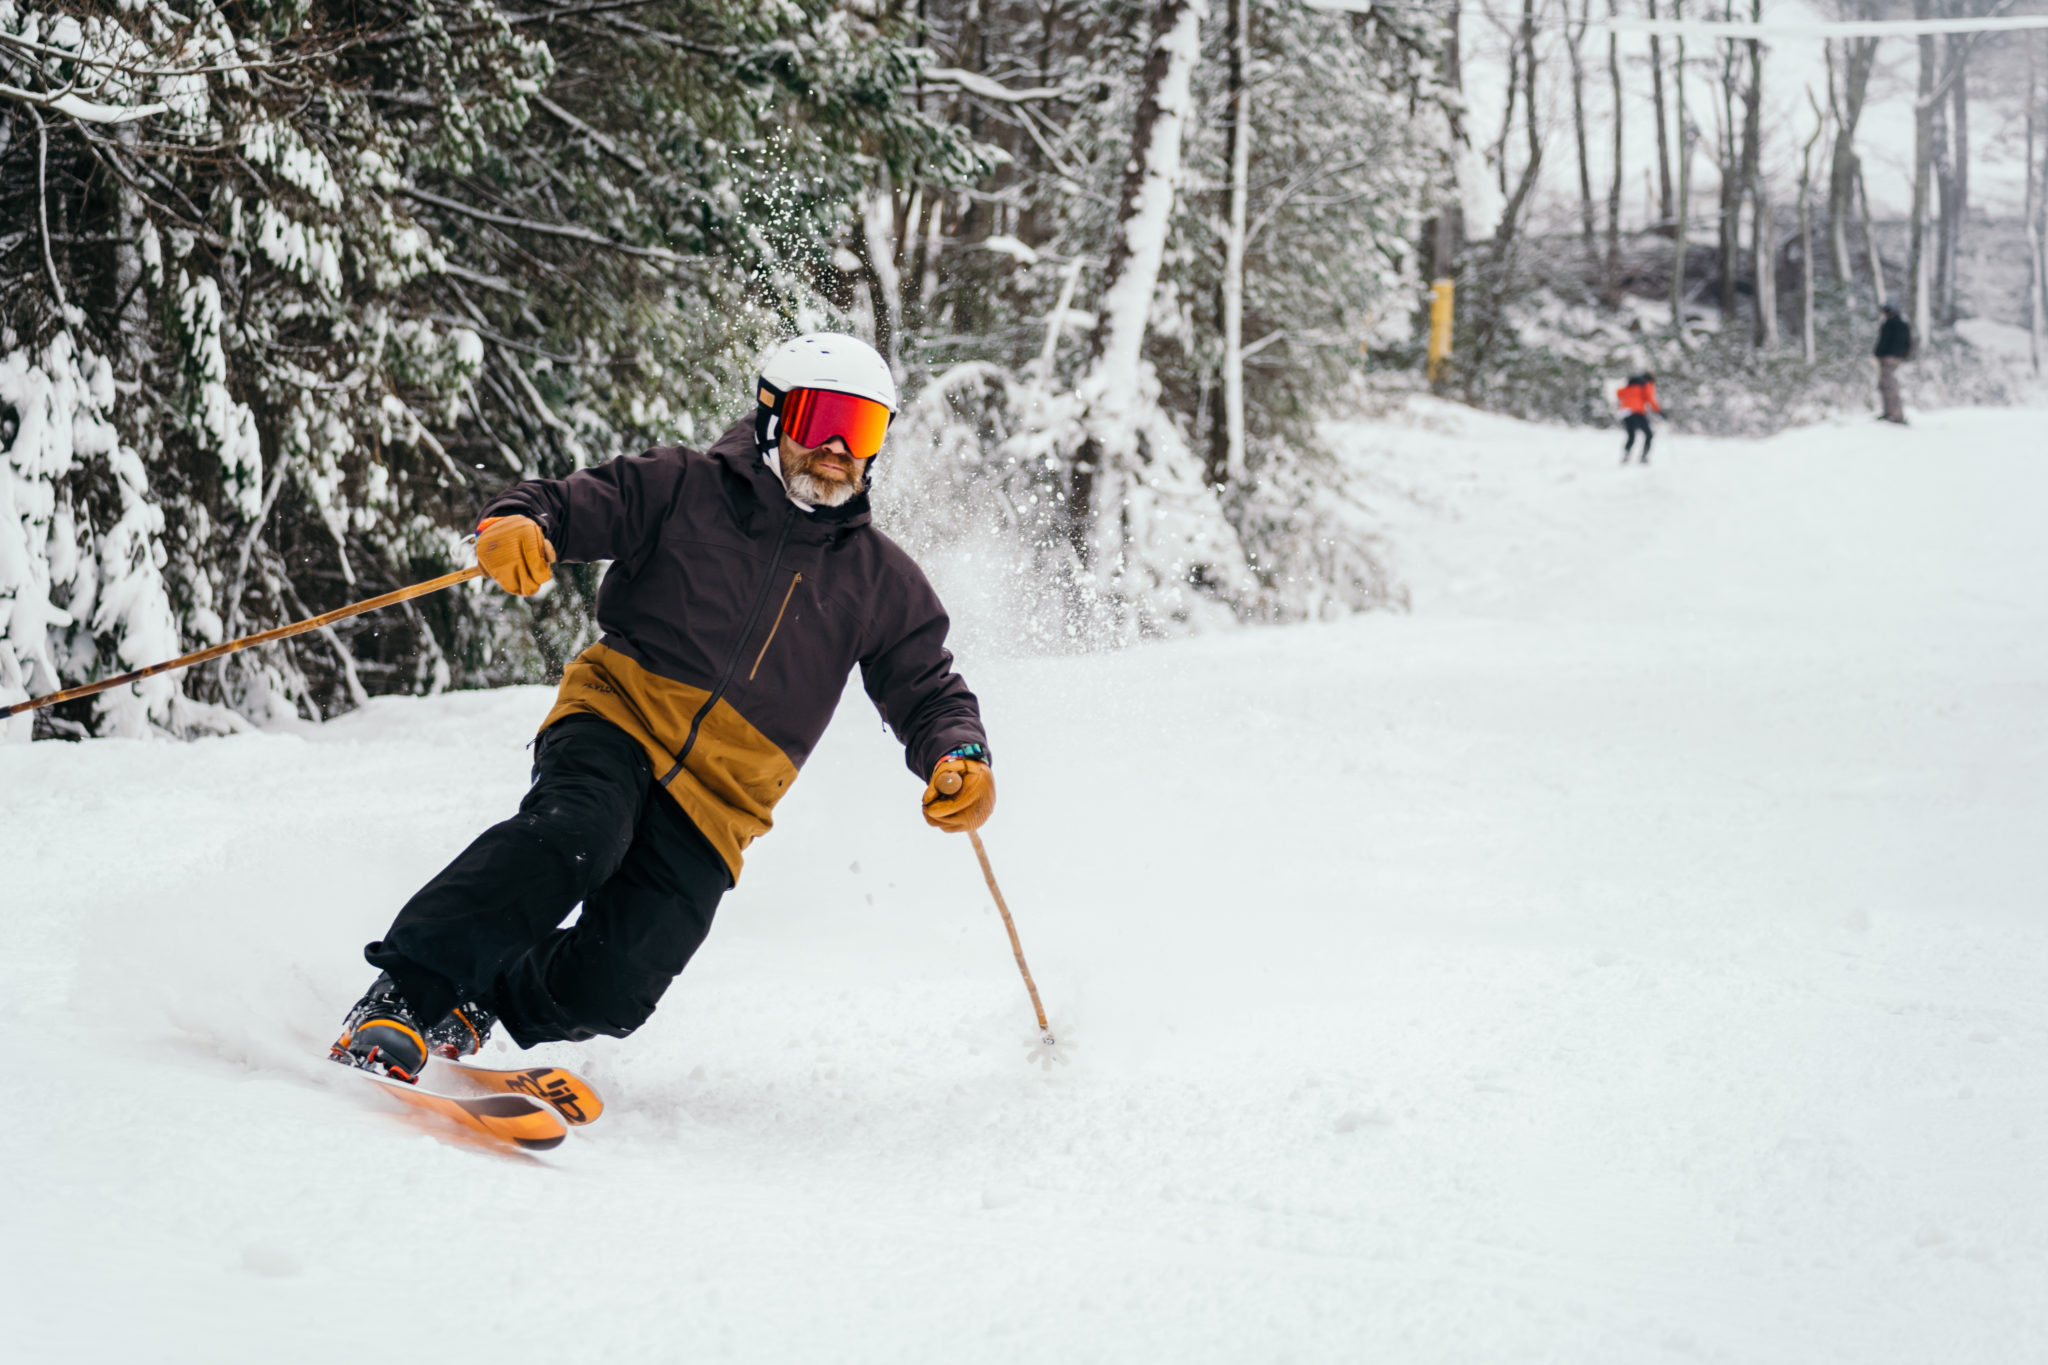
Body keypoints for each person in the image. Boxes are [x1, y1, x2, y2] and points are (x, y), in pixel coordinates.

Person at [331, 333, 994, 1081]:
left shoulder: (880, 581)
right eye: (822, 420)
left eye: (863, 428)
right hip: (618, 717)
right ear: (776, 417)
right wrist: (517, 523)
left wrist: (957, 753)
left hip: (723, 800)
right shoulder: (684, 487)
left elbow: (927, 685)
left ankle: (483, 997)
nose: (839, 447)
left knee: (616, 987)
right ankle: (406, 993)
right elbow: (562, 505)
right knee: (579, 834)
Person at [1874, 302, 1912, 424]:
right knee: (1886, 385)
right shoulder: (1903, 324)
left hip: (1888, 359)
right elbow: (1908, 343)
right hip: (1895, 359)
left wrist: (1879, 354)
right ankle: (1891, 413)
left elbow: (1883, 342)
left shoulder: (1890, 324)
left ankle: (1895, 415)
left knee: (1888, 386)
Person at [1616, 371, 1661, 464]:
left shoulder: (1628, 387)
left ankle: (1626, 455)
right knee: (1649, 434)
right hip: (1637, 412)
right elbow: (1650, 398)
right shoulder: (1646, 385)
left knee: (1631, 435)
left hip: (1625, 412)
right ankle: (1644, 456)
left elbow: (1619, 394)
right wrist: (1658, 411)